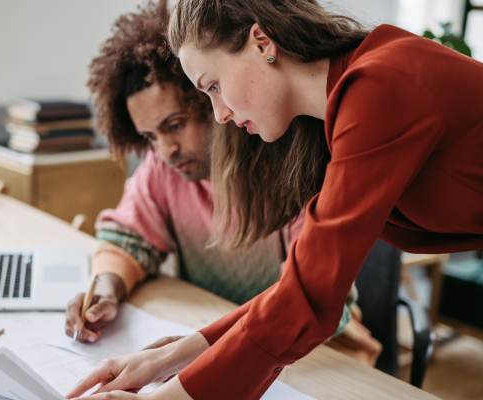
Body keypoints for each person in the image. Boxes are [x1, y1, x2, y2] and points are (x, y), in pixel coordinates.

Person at [66, 0, 483, 399]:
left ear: (262, 43)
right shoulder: (333, 118)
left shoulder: (378, 87)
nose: (220, 115)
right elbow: (299, 286)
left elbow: (309, 299)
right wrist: (167, 357)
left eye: (214, 86)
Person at [65, 0, 379, 372]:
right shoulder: (167, 168)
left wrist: (203, 348)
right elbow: (127, 239)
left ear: (212, 98)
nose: (165, 151)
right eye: (150, 137)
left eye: (175, 125)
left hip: (320, 357)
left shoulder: (295, 163)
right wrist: (106, 288)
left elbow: (304, 301)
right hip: (225, 340)